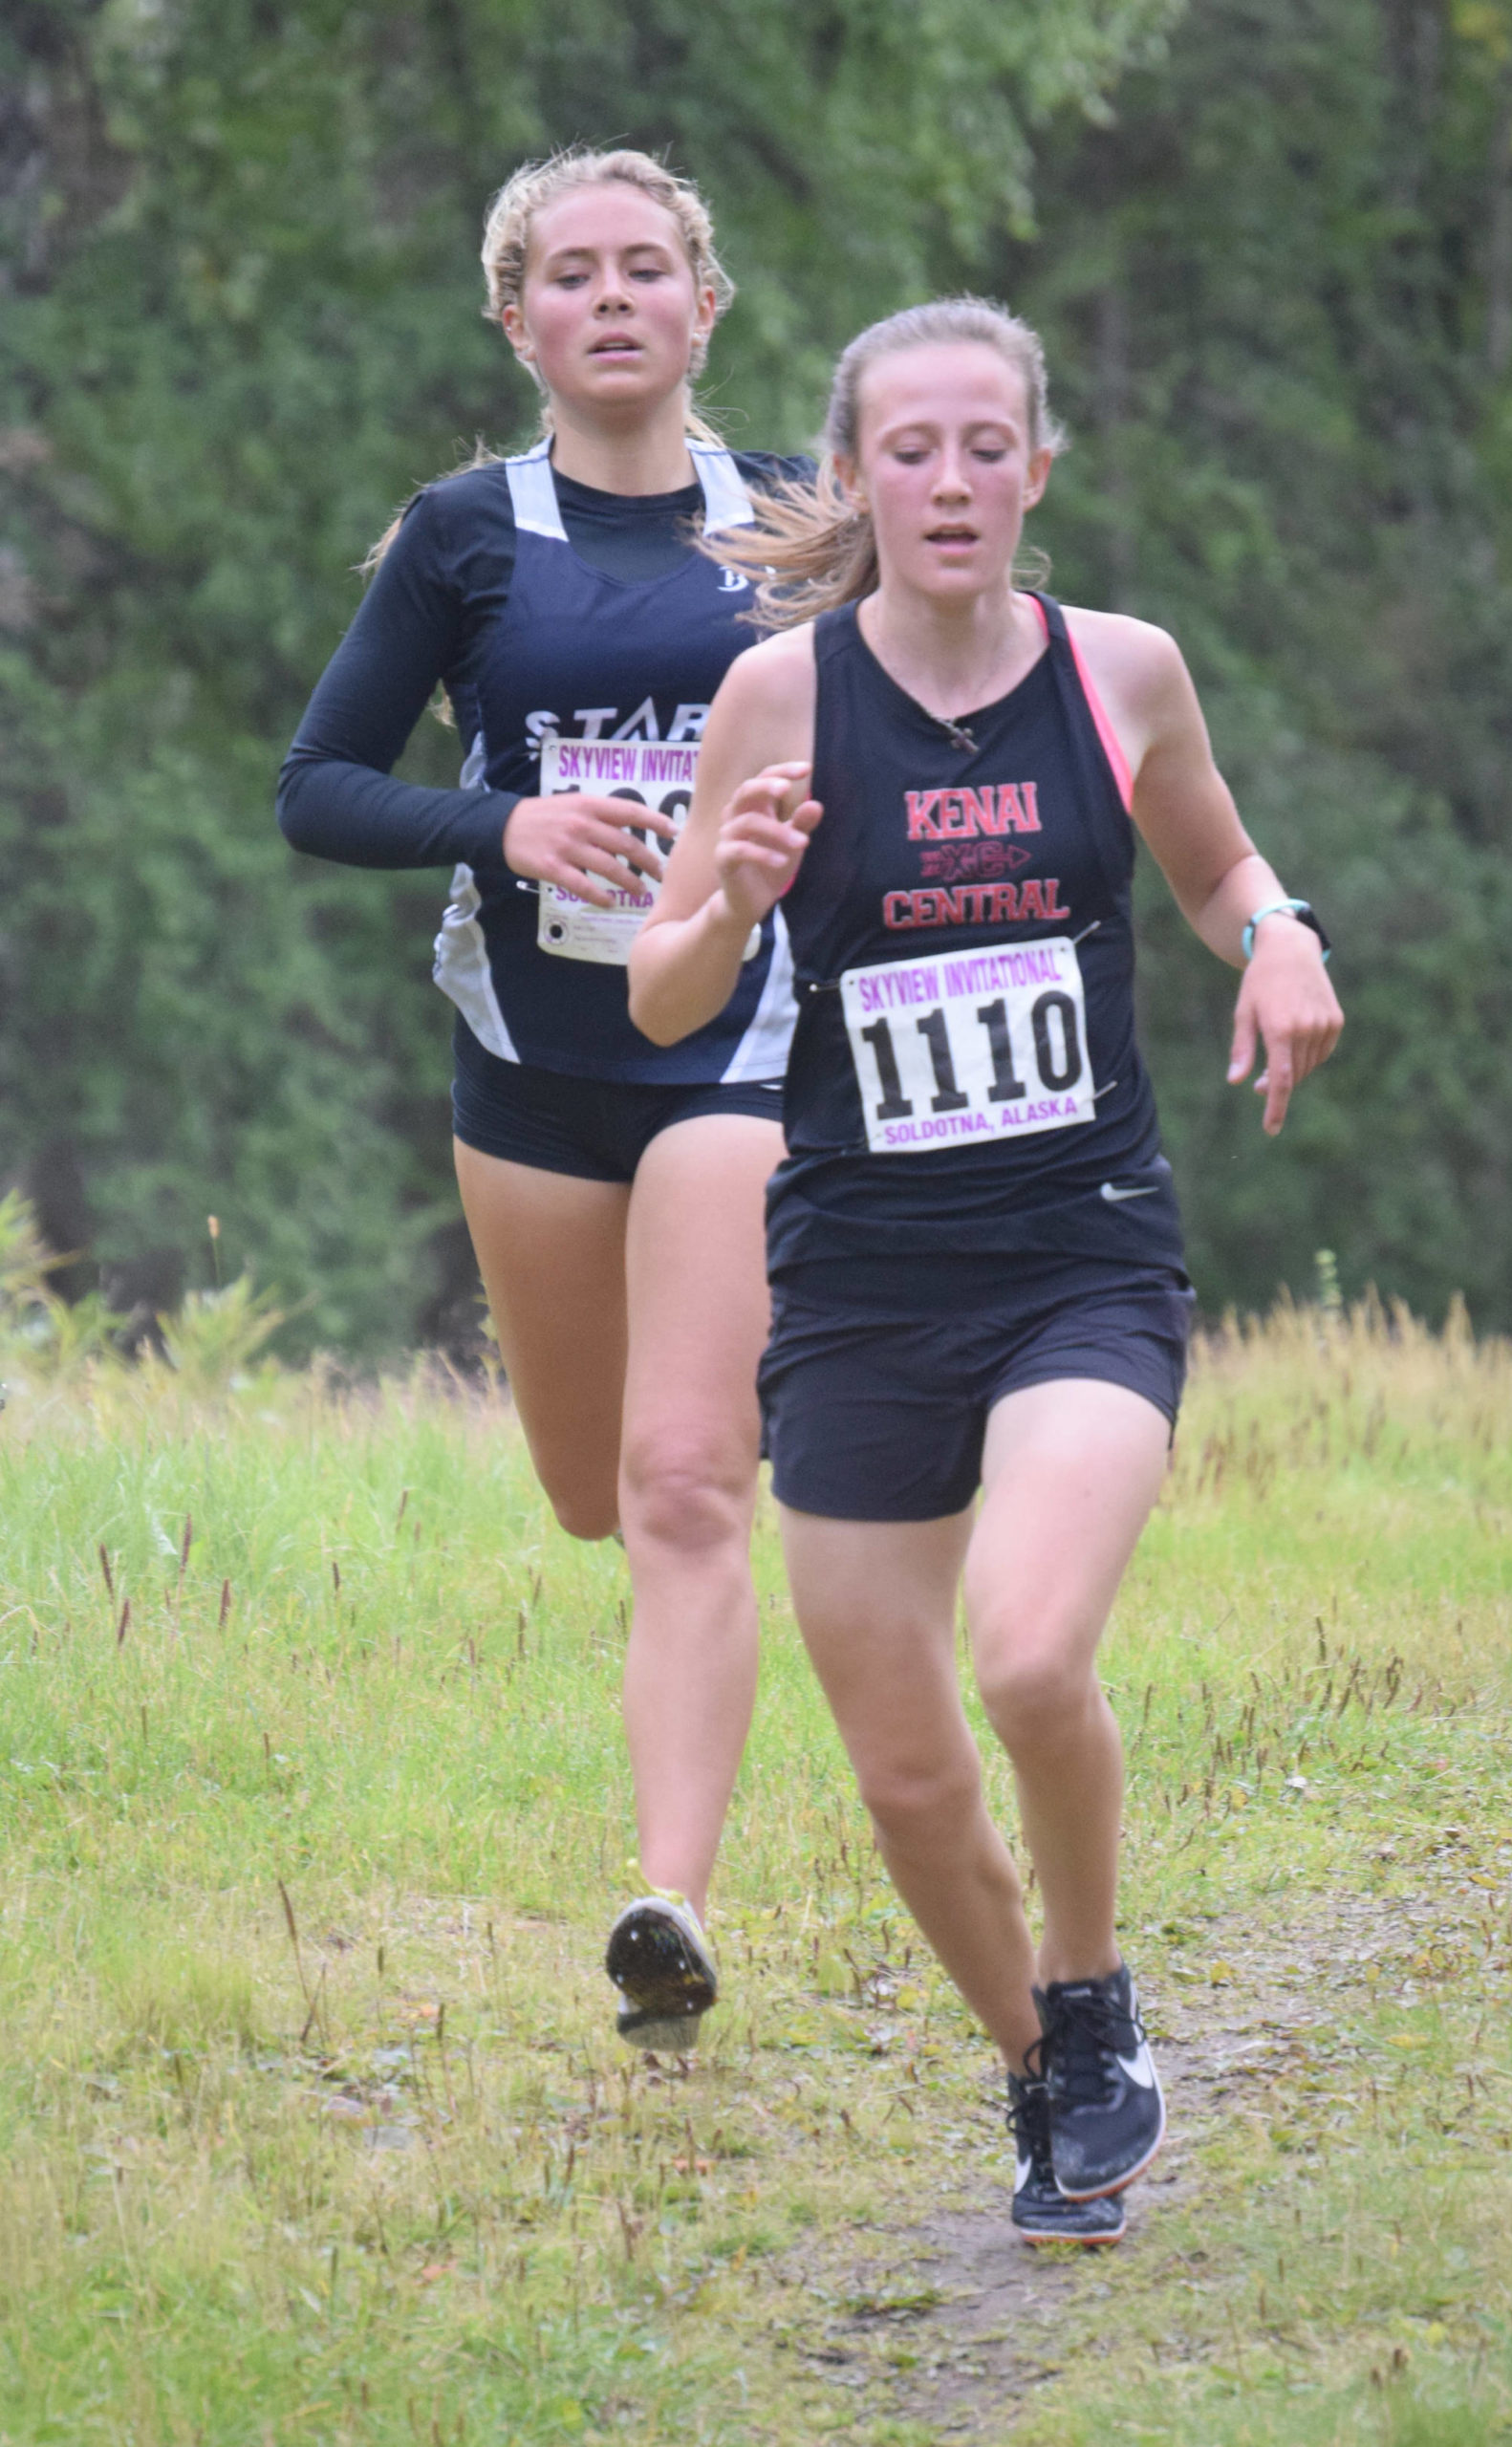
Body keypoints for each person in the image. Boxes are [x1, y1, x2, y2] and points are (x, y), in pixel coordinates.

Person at [629, 296, 1343, 2241]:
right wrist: (739, 897)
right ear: (853, 477)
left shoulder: (1121, 672)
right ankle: (1039, 2071)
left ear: (1037, 465)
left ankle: (1094, 2003)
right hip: (857, 1270)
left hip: (1076, 1252)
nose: (949, 480)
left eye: (984, 444)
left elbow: (1212, 865)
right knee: (900, 1762)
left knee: (1029, 1646)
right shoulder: (779, 700)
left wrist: (1276, 930)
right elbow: (667, 982)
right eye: (908, 450)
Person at [277, 148, 812, 2053]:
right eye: (568, 273)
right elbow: (317, 783)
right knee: (592, 1489)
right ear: (516, 321)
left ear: (703, 306)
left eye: (644, 267)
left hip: (739, 1052)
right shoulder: (462, 533)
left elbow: (931, 741)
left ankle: (669, 1900)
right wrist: (506, 816)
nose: (609, 297)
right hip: (526, 1065)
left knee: (688, 1485)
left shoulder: (796, 526)